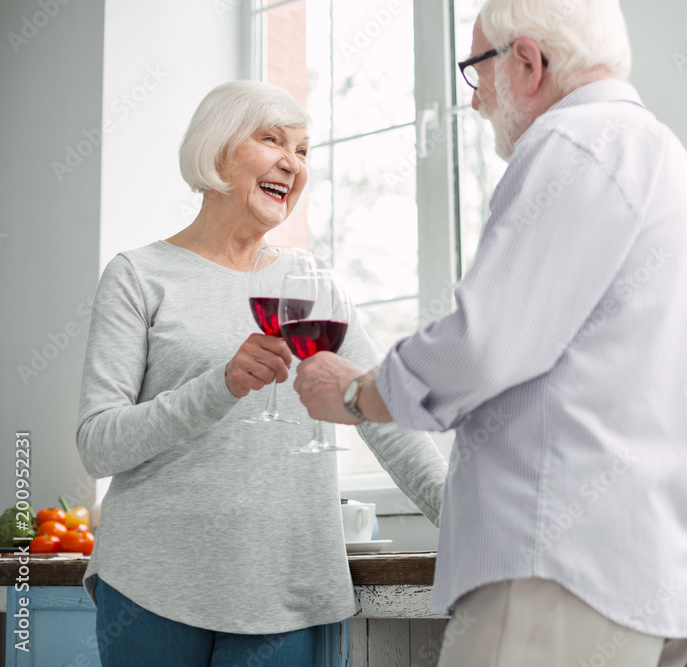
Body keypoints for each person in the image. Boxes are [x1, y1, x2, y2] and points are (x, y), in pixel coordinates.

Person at [294, 0, 687, 664]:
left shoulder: (572, 142)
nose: (474, 104)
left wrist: (357, 395)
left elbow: (483, 344)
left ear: (527, 61)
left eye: (475, 71)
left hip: (553, 575)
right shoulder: (675, 164)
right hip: (645, 572)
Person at [76, 80, 447, 666]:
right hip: (152, 584)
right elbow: (98, 445)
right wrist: (219, 386)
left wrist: (461, 516)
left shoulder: (311, 285)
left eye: (303, 151)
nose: (292, 163)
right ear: (217, 150)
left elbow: (381, 416)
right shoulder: (139, 276)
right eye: (271, 140)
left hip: (288, 586)